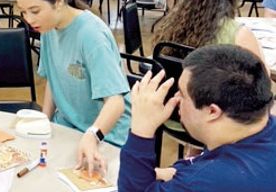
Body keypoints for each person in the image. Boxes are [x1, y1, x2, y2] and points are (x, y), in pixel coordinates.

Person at [14, 0, 131, 176]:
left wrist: (92, 135)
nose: (29, 20)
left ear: (59, 1)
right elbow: (53, 78)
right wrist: (44, 121)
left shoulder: (91, 35)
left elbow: (116, 102)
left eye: (35, 11)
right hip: (68, 127)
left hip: (105, 134)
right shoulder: (47, 27)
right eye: (23, 13)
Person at [118, 45, 276, 191]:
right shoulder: (258, 128)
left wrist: (141, 130)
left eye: (182, 93)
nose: (175, 98)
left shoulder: (206, 180)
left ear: (212, 111)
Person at [153, 0, 264, 61]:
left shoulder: (175, 21)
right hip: (214, 84)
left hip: (174, 82)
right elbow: (262, 75)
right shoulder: (238, 33)